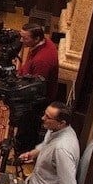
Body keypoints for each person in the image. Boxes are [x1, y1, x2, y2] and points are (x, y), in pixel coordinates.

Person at [19, 101, 79, 184]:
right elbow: (47, 143)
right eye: (44, 114)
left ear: (62, 123)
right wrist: (35, 152)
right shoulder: (54, 128)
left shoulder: (62, 150)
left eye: (48, 117)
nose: (43, 118)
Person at [16, 23, 59, 151]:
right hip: (39, 90)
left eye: (25, 38)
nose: (21, 41)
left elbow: (34, 87)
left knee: (28, 126)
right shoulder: (45, 42)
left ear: (36, 39)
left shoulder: (41, 61)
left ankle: (23, 152)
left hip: (37, 100)